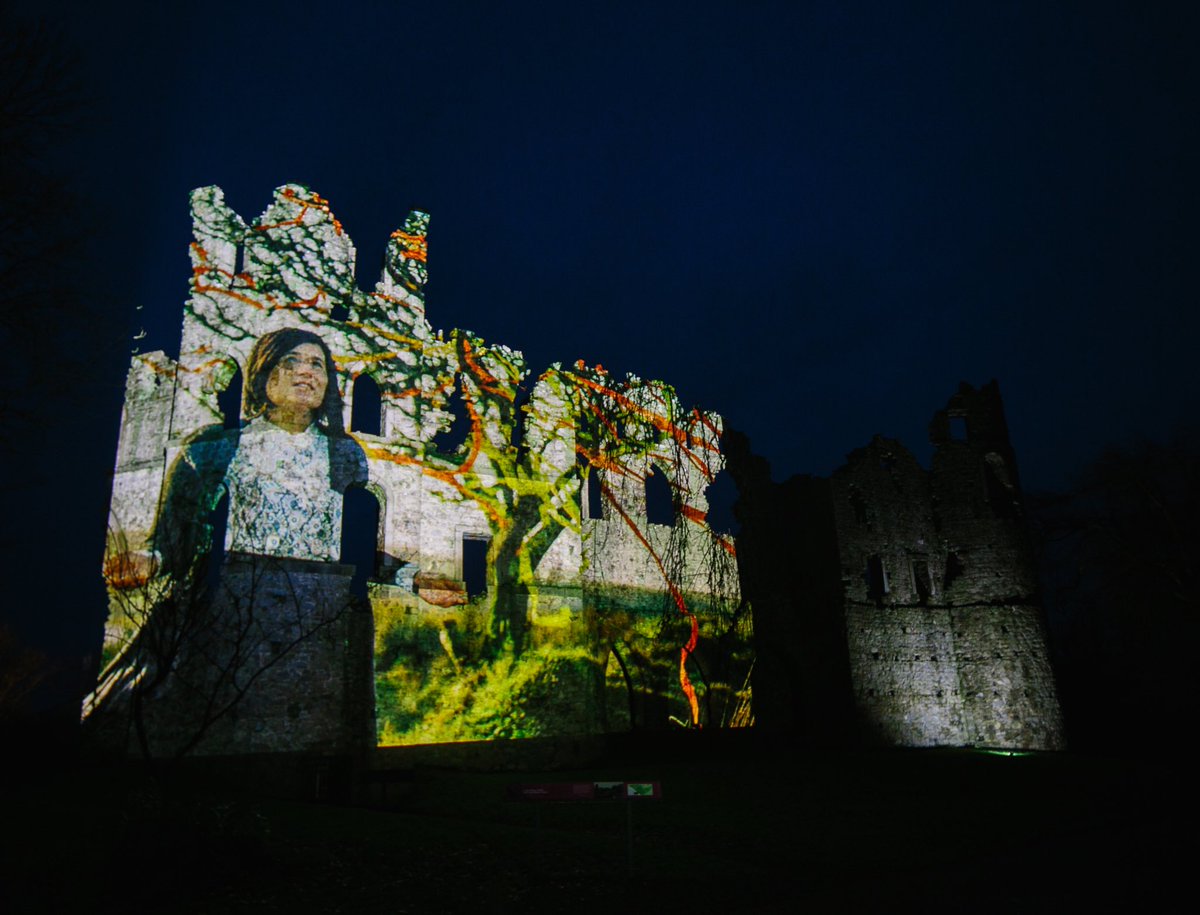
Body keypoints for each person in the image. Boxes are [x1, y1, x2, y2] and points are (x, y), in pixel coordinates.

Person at [152, 328, 369, 581]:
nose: (306, 372)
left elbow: (358, 540)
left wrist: (410, 577)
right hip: (236, 601)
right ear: (265, 373)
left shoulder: (346, 454)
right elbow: (178, 527)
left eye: (316, 364)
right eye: (291, 361)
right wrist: (153, 561)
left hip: (318, 603)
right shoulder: (217, 445)